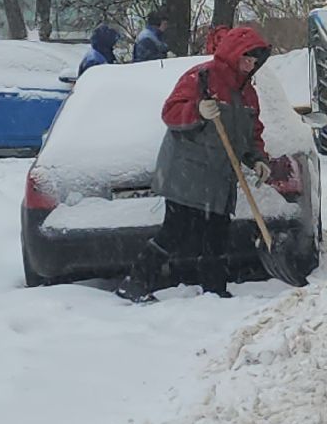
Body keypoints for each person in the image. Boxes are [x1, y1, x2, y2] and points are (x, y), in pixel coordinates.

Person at [114, 24, 280, 304]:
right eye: (247, 58)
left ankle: (214, 289)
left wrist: (257, 160)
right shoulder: (201, 77)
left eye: (255, 61)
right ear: (233, 54)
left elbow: (250, 134)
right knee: (176, 231)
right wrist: (198, 110)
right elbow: (170, 113)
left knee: (217, 233)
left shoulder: (247, 93)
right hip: (187, 171)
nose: (250, 65)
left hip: (220, 175)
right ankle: (136, 282)